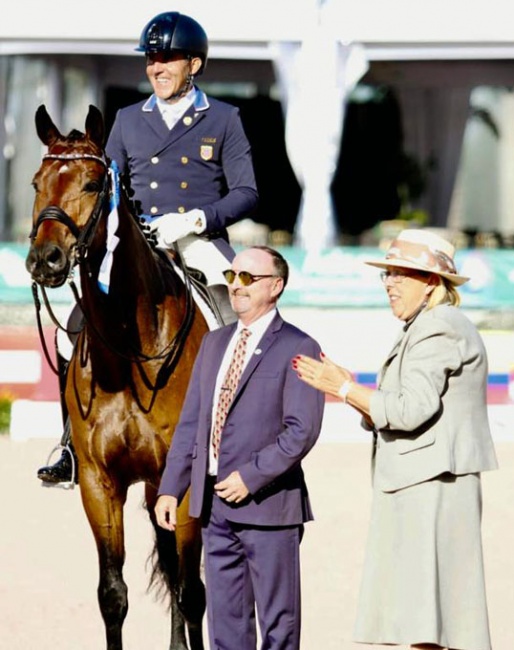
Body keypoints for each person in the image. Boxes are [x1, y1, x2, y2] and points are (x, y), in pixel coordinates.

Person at [37, 11, 258, 485]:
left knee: (234, 319)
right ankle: (70, 443)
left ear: (193, 65)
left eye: (168, 59)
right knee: (70, 331)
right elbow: (107, 184)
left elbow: (246, 192)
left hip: (196, 240)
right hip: (137, 240)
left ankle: (236, 439)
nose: (157, 67)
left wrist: (196, 219)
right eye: (151, 60)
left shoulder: (222, 118)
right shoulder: (127, 119)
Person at [292, 228, 498, 650]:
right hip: (423, 483)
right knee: (427, 621)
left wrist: (344, 389)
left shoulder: (437, 326)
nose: (390, 283)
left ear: (432, 284)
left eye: (402, 274)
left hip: (432, 486)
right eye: (387, 274)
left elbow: (409, 410)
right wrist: (351, 392)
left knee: (428, 622)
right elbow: (398, 407)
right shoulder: (425, 325)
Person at [155, 245, 325, 650]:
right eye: (232, 277)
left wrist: (250, 477)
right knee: (226, 625)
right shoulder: (214, 344)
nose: (236, 286)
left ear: (276, 286)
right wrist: (169, 487)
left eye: (248, 278)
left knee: (278, 624)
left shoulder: (299, 346)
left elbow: (301, 431)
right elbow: (192, 423)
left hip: (269, 507)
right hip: (214, 509)